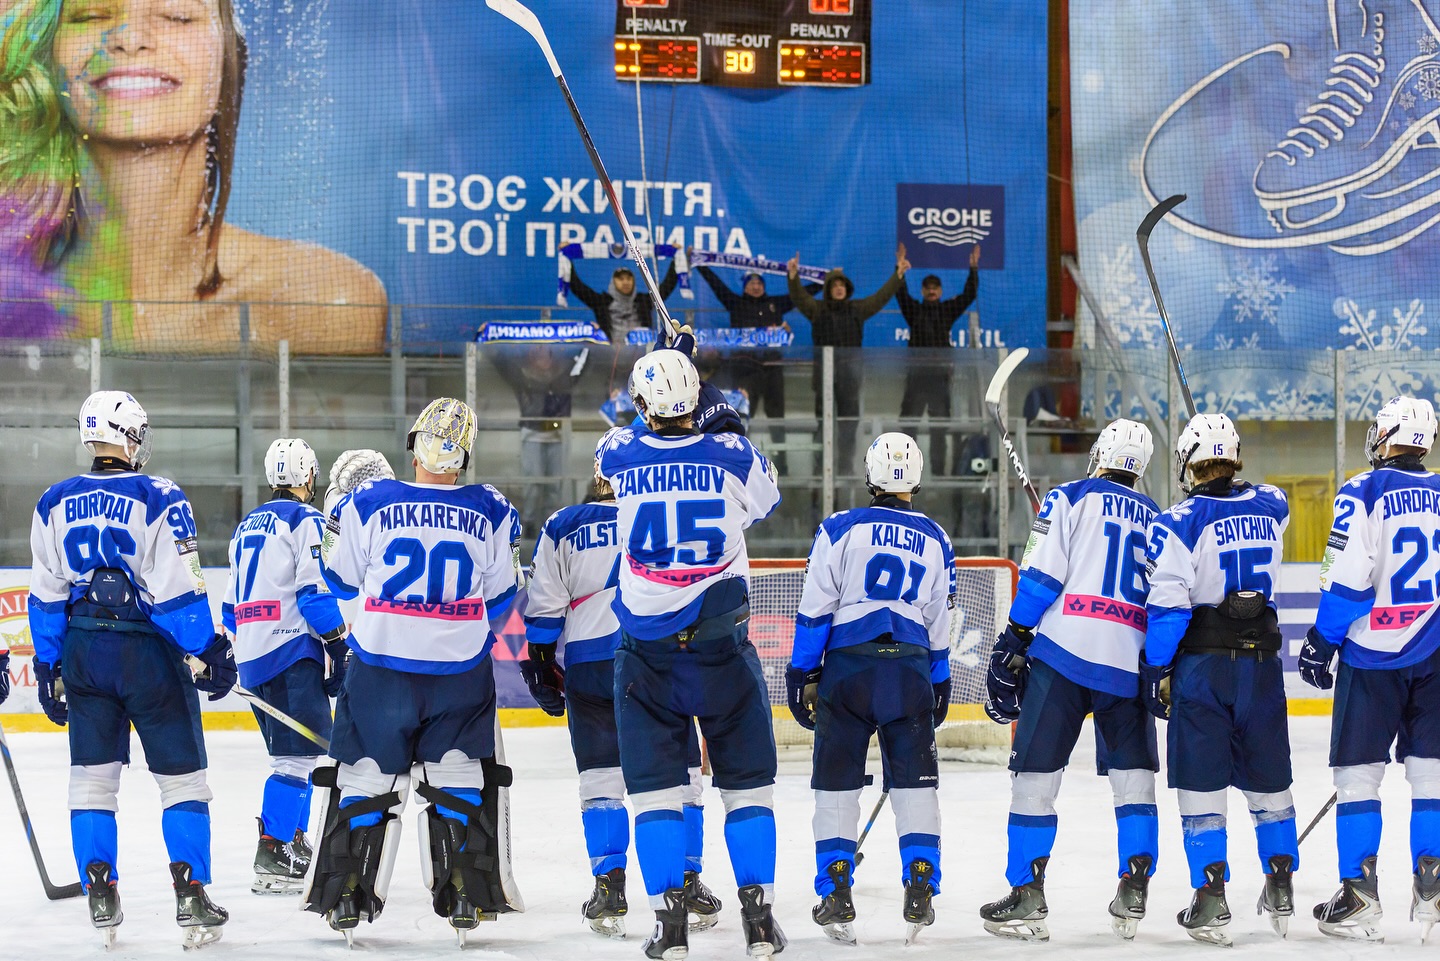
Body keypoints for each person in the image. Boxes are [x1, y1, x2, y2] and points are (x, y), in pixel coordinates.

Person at [0, 0, 386, 349]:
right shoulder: (10, 292)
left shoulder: (321, 299)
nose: (129, 39)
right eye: (91, 15)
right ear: (46, 58)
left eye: (177, 15)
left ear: (227, 58)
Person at [306, 398, 524, 946]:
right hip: (459, 674)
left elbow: (340, 583)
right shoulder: (491, 508)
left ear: (413, 443)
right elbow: (503, 598)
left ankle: (348, 894)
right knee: (456, 779)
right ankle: (466, 891)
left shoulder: (369, 502)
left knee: (365, 780)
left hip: (379, 670)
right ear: (466, 455)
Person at [27, 390, 235, 949]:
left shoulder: (53, 501)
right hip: (149, 657)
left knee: (92, 782)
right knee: (182, 781)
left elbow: (45, 595)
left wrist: (48, 665)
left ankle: (100, 890)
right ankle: (190, 894)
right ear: (134, 435)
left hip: (83, 653)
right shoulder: (158, 494)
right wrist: (209, 646)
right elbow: (177, 594)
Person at [599, 350, 785, 960]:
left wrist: (679, 383)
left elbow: (632, 435)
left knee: (655, 793)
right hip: (721, 650)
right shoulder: (735, 456)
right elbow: (765, 498)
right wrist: (716, 409)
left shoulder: (617, 454)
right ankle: (758, 922)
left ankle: (668, 925)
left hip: (647, 657)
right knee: (748, 788)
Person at [521, 429, 722, 940]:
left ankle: (609, 885)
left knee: (600, 780)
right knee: (681, 779)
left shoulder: (564, 525)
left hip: (590, 668)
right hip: (661, 662)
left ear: (597, 474)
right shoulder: (664, 511)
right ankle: (688, 880)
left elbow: (544, 605)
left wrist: (541, 659)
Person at [979, 420, 1161, 942]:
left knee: (1034, 777)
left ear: (1100, 453)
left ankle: (1027, 891)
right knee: (1134, 779)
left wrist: (1014, 636)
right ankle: (1135, 883)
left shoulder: (1069, 498)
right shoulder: (1160, 518)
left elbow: (1040, 575)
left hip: (1063, 655)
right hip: (1128, 660)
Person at [787, 432, 955, 945]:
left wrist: (803, 673)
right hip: (907, 668)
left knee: (835, 785)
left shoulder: (838, 528)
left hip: (849, 671)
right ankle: (922, 882)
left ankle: (836, 887)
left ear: (870, 475)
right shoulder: (935, 537)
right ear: (917, 478)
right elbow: (938, 617)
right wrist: (940, 677)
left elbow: (816, 610)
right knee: (916, 785)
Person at [1141, 413, 1296, 946]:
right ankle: (1281, 882)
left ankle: (1211, 897)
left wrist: (1155, 667)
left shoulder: (1177, 520)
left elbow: (1168, 610)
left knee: (1202, 784)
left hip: (1205, 668)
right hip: (1264, 668)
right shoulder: (1273, 505)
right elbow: (1261, 497)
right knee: (1268, 779)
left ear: (1187, 462)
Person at [1301, 395, 1440, 942]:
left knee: (1358, 774)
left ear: (1387, 438)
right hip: (1433, 653)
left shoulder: (1362, 490)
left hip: (1370, 656)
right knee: (1431, 772)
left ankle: (1359, 894)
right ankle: (1433, 885)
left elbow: (1349, 580)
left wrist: (1321, 639)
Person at [221, 437, 347, 895]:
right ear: (308, 476)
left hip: (253, 658)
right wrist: (338, 644)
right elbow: (313, 593)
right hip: (291, 650)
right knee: (298, 756)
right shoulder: (308, 520)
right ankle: (274, 847)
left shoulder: (245, 527)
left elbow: (229, 607)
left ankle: (290, 839)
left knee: (294, 755)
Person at [787, 247, 906, 475]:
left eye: (842, 285)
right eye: (834, 285)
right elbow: (800, 297)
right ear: (829, 290)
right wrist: (793, 278)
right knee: (823, 424)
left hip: (850, 380)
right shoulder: (817, 309)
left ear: (847, 289)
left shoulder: (857, 309)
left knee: (849, 425)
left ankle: (845, 467)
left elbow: (881, 297)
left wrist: (897, 274)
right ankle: (819, 469)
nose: (839, 288)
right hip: (824, 379)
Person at [696, 265, 818, 472]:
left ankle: (782, 465)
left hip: (772, 369)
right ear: (744, 287)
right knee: (741, 415)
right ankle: (737, 462)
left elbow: (801, 295)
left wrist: (822, 280)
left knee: (777, 416)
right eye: (751, 283)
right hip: (745, 370)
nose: (755, 286)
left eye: (759, 283)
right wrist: (700, 263)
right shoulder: (736, 303)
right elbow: (717, 286)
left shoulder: (775, 304)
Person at [895, 246, 981, 475]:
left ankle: (939, 474)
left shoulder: (947, 310)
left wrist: (973, 268)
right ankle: (904, 475)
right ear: (923, 291)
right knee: (908, 428)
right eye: (928, 289)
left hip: (940, 381)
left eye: (935, 289)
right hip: (915, 380)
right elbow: (900, 295)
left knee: (939, 430)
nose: (932, 292)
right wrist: (899, 269)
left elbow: (969, 295)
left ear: (940, 291)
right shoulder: (913, 311)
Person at [495, 343, 588, 534]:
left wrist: (588, 345)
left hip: (558, 434)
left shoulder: (564, 376)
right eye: (535, 349)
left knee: (555, 483)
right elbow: (503, 363)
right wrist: (496, 344)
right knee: (533, 482)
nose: (539, 352)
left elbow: (584, 362)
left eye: (544, 349)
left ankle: (551, 524)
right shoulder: (523, 377)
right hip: (532, 433)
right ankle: (529, 522)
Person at [570, 261, 679, 344]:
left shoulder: (643, 301)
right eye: (621, 279)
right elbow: (577, 287)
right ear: (613, 282)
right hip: (610, 356)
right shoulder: (601, 302)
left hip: (641, 354)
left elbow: (666, 288)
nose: (625, 282)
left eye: (628, 279)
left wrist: (676, 260)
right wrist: (567, 260)